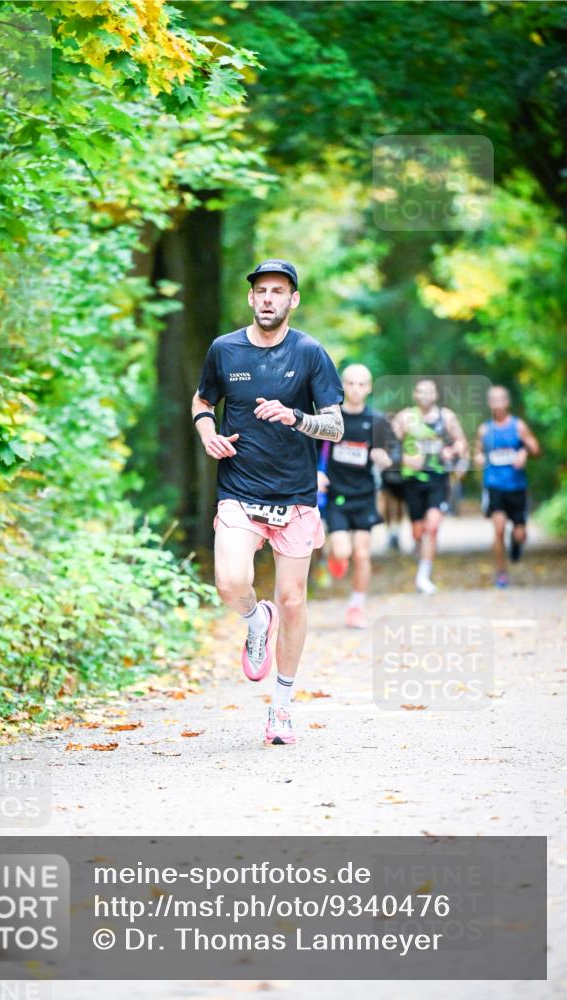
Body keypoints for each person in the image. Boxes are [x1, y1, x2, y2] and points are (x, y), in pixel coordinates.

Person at [191, 259, 344, 746]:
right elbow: (201, 402)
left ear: (293, 300)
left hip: (295, 494)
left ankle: (281, 707)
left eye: (278, 291)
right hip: (240, 488)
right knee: (231, 581)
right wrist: (208, 432)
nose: (268, 299)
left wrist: (296, 417)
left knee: (293, 600)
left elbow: (335, 426)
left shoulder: (311, 353)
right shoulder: (224, 349)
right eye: (261, 291)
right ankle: (256, 621)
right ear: (251, 298)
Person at [317, 364, 399, 628]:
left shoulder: (377, 420)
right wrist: (317, 475)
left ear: (369, 388)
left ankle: (356, 606)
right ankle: (335, 556)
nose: (356, 389)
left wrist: (384, 458)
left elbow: (392, 452)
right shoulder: (331, 418)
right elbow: (311, 450)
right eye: (351, 383)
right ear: (343, 386)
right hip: (337, 495)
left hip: (364, 494)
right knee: (343, 550)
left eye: (361, 384)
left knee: (362, 554)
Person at [392, 378, 468, 594]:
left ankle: (423, 576)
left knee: (432, 526)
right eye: (421, 391)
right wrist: (404, 459)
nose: (425, 395)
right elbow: (387, 448)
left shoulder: (447, 417)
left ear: (435, 395)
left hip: (438, 477)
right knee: (418, 531)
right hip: (413, 480)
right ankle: (420, 549)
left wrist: (453, 451)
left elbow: (461, 443)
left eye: (429, 391)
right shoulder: (405, 417)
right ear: (415, 395)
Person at [475, 385, 540, 588]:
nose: (497, 403)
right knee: (499, 528)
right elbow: (477, 451)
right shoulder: (484, 429)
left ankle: (517, 543)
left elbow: (536, 448)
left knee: (520, 533)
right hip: (494, 485)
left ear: (507, 402)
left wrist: (524, 453)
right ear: (489, 403)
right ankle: (501, 572)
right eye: (492, 399)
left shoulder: (518, 426)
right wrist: (478, 458)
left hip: (517, 486)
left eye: (500, 399)